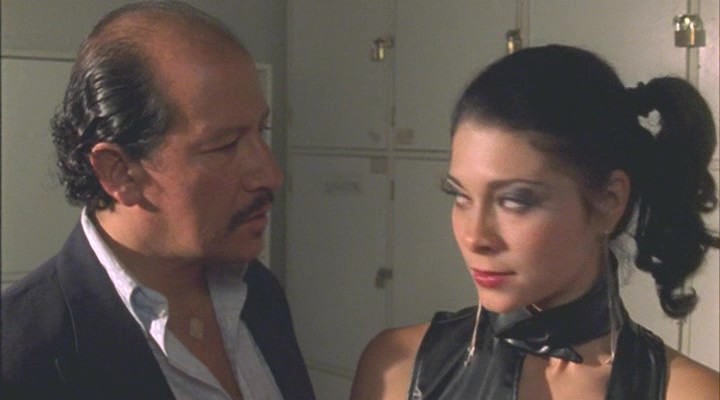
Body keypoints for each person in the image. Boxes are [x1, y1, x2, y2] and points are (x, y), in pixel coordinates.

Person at [351, 45, 720, 399]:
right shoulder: (396, 368)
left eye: (514, 201)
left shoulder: (690, 394)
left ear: (610, 200)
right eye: (461, 196)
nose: (475, 236)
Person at [1, 2, 314, 399]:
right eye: (225, 145)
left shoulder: (258, 293)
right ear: (119, 172)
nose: (270, 175)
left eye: (261, 130)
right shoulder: (20, 358)